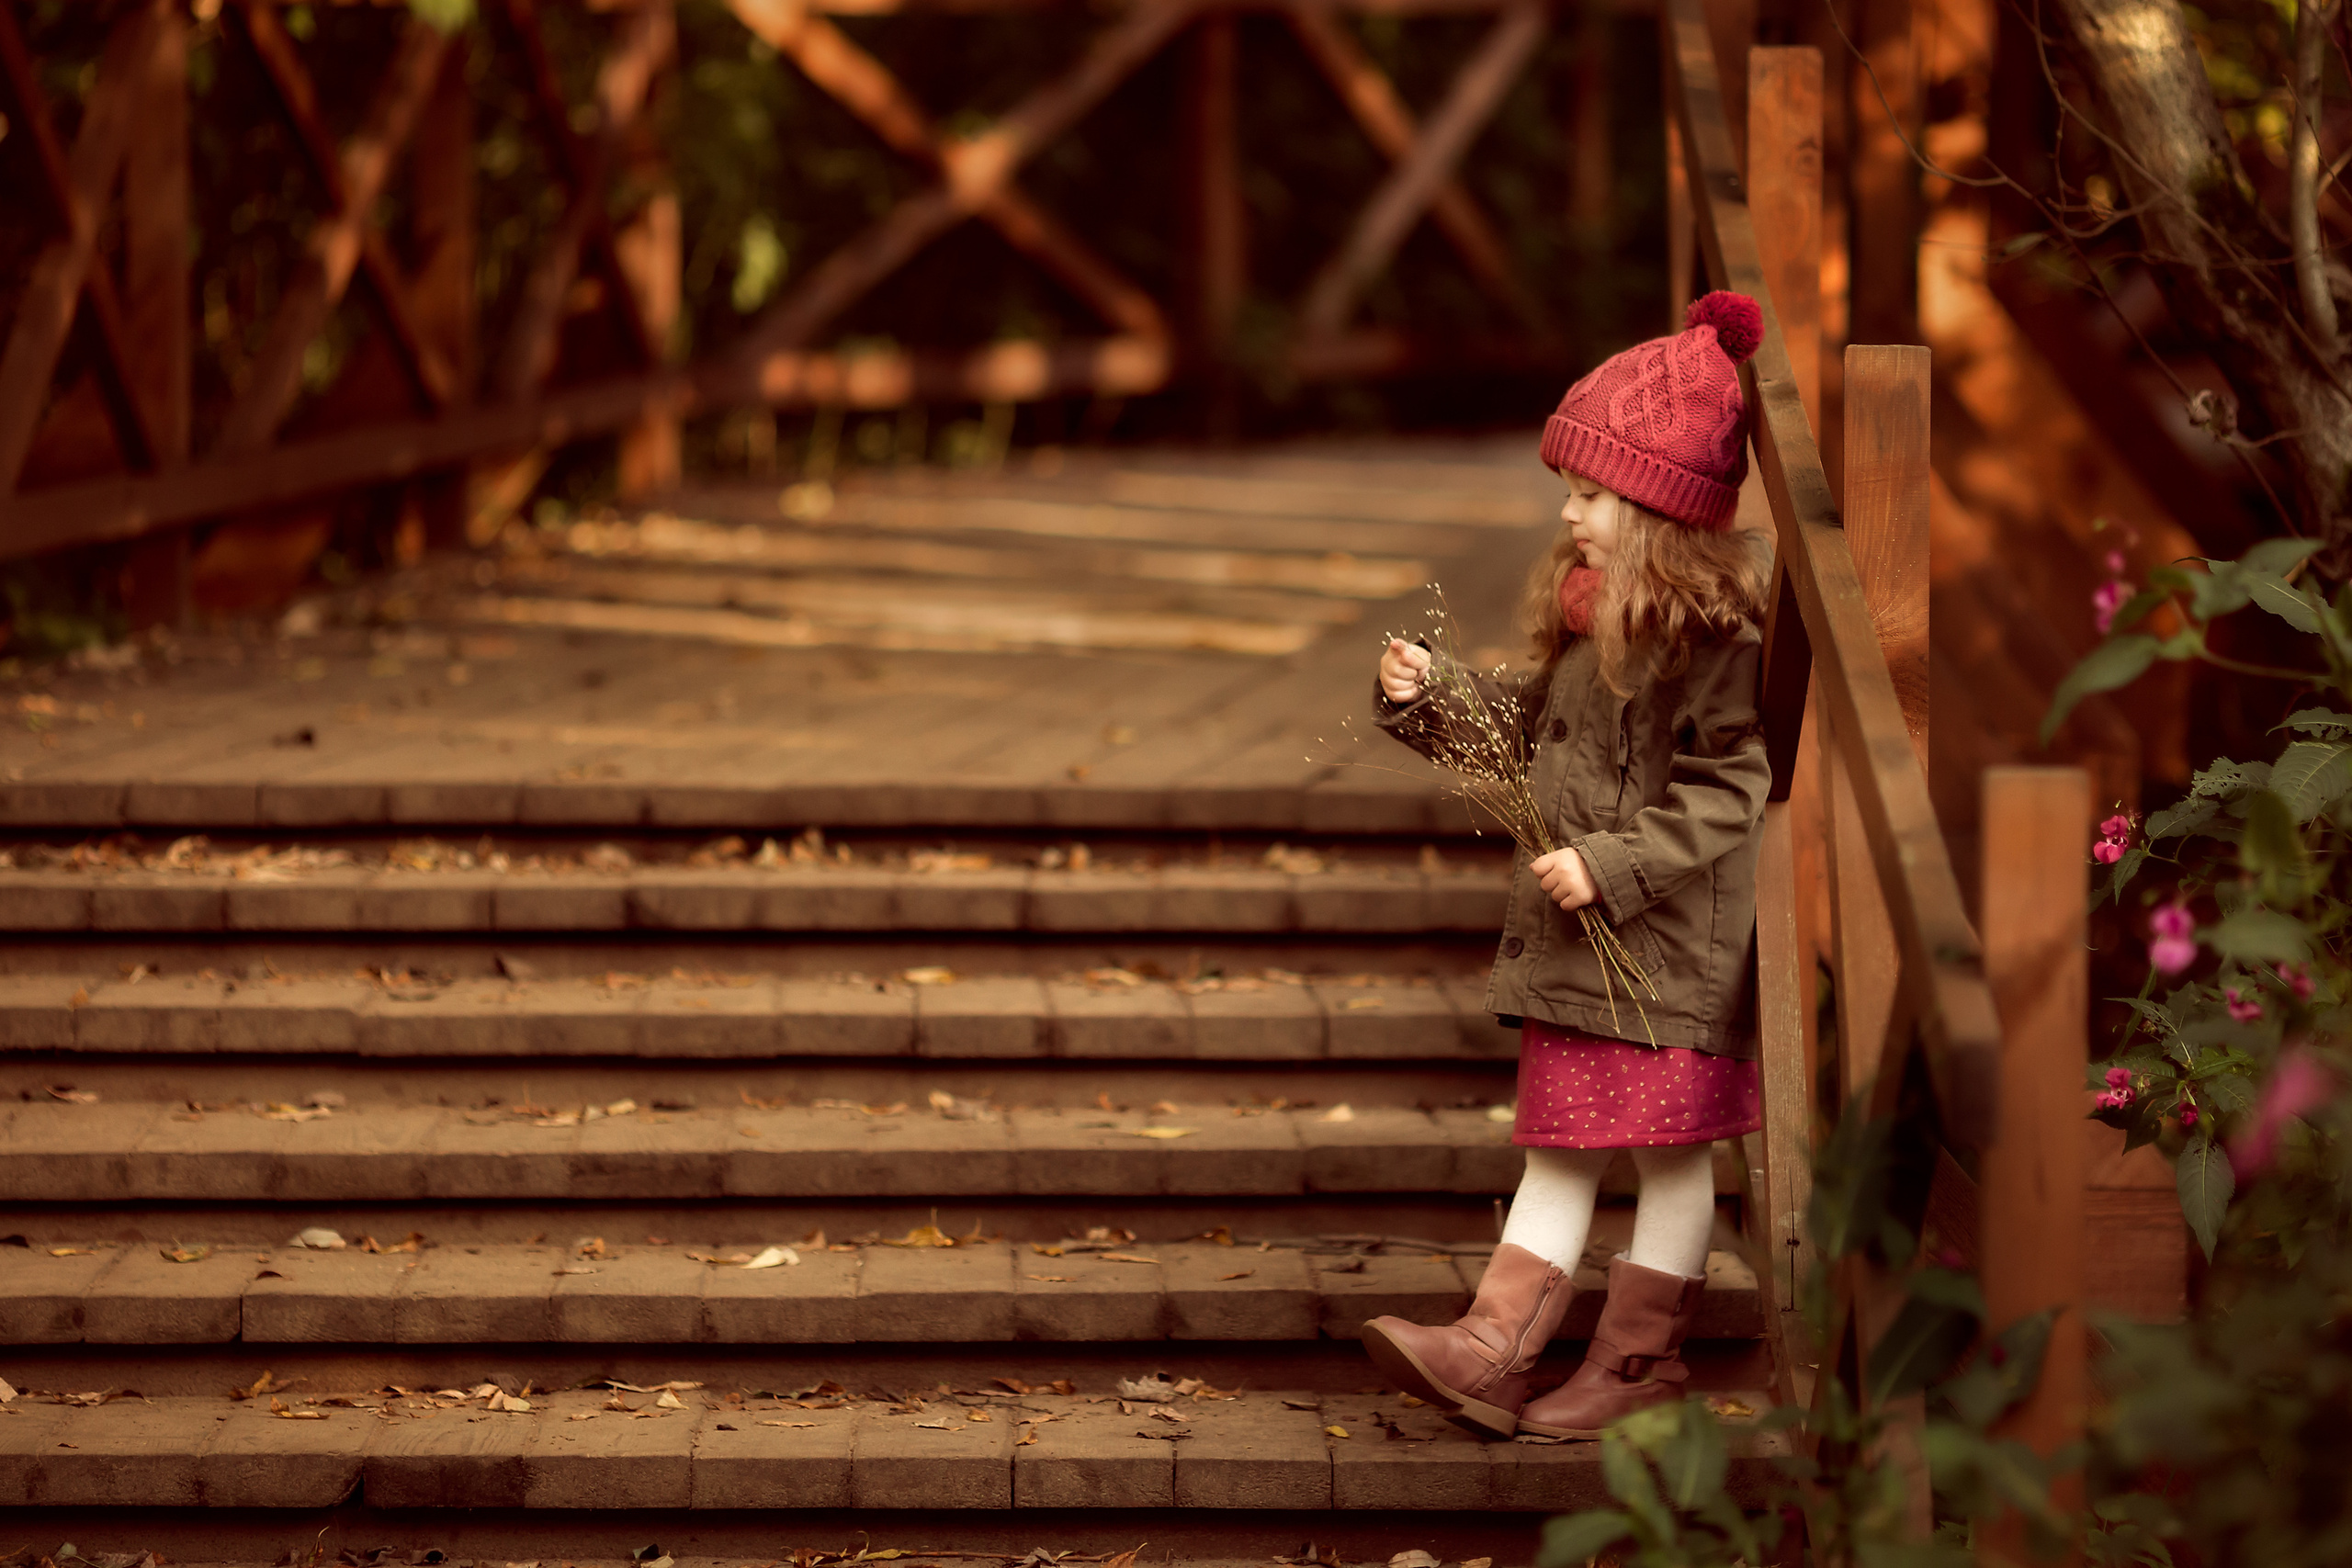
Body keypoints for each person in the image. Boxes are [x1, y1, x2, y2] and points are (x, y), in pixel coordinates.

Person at [1362, 292, 1774, 1440]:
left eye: (1590, 492)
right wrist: (1432, 692)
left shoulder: (1710, 635)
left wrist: (1611, 864)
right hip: (1585, 949)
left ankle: (1636, 1370)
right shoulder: (1594, 623)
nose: (1569, 509)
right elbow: (1516, 733)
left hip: (1665, 950)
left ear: (1654, 506)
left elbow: (1733, 788)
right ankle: (1491, 1350)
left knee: (1669, 1161)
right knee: (1559, 1144)